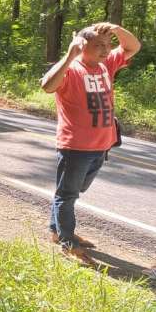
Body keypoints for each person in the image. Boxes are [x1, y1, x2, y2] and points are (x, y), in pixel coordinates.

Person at [40, 22, 141, 264]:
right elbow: (47, 86)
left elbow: (133, 46)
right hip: (75, 146)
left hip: (101, 145)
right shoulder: (72, 69)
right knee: (67, 195)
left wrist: (115, 29)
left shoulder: (106, 66)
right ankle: (68, 242)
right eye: (98, 46)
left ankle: (56, 230)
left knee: (72, 192)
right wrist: (69, 55)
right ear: (82, 46)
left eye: (107, 46)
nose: (106, 50)